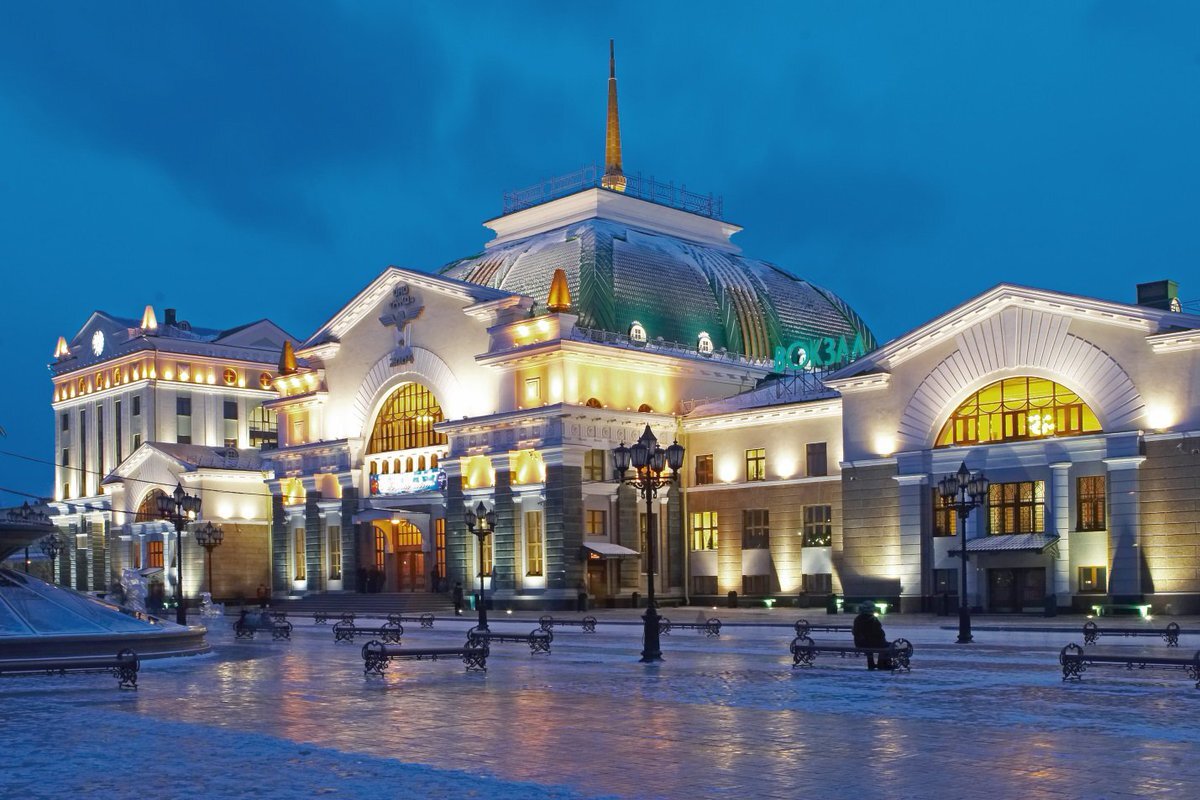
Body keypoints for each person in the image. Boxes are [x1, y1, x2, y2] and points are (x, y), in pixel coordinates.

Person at [852, 602, 892, 671]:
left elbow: (855, 632)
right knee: (888, 646)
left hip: (860, 643)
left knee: (883, 646)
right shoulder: (872, 619)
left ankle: (873, 664)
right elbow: (879, 633)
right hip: (871, 643)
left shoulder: (858, 619)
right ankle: (882, 664)